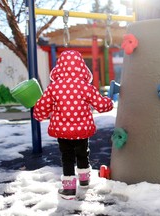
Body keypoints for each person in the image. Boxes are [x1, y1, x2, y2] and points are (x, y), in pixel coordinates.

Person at [33, 50, 113, 200]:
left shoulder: (54, 87)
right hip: (82, 130)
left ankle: (69, 189)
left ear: (60, 67)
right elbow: (102, 105)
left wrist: (39, 115)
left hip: (62, 131)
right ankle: (84, 180)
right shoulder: (85, 87)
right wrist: (109, 101)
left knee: (67, 157)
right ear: (81, 67)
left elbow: (42, 107)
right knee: (83, 153)